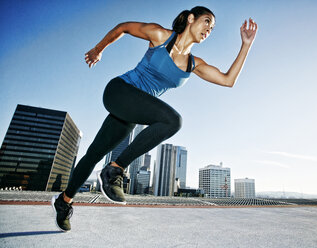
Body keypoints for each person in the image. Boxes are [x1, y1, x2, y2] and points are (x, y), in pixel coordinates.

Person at [51, 6, 258, 232]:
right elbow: (123, 28)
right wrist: (98, 49)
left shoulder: (193, 64)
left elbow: (228, 80)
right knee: (173, 120)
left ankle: (64, 201)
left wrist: (246, 45)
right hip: (119, 91)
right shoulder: (160, 35)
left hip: (132, 111)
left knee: (94, 153)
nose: (209, 29)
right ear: (191, 19)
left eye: (213, 28)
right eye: (207, 21)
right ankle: (115, 169)